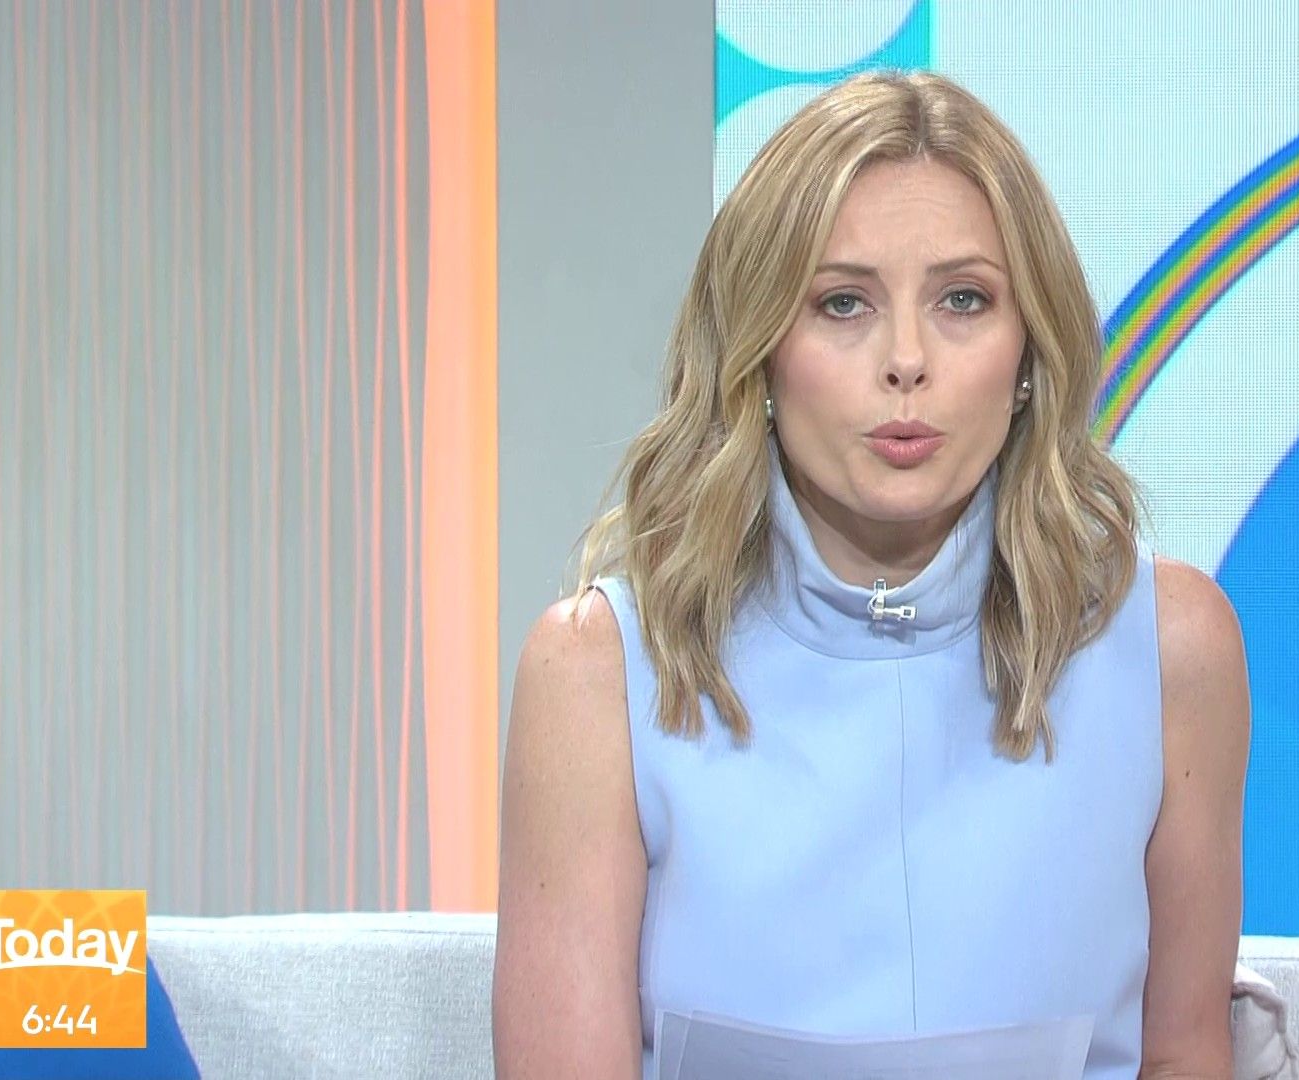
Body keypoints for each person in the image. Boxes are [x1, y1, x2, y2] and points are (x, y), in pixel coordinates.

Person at [492, 70, 1251, 1080]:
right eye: (842, 303)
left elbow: (1184, 1056)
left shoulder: (1169, 647)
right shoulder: (596, 672)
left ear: (1030, 352)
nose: (906, 360)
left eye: (963, 300)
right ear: (759, 351)